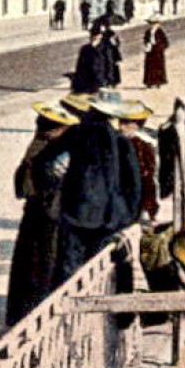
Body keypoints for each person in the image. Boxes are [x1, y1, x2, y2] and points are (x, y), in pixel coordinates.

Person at [53, 93, 143, 283]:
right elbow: (133, 185)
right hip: (109, 218)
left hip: (76, 213)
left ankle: (68, 307)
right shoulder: (122, 142)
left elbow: (47, 165)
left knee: (69, 268)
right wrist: (129, 217)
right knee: (101, 268)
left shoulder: (75, 133)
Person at [7, 99, 80, 324]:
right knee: (42, 268)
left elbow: (22, 186)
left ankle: (27, 314)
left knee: (34, 269)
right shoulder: (52, 147)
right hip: (49, 218)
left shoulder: (41, 146)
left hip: (42, 216)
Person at [115, 99, 160, 222]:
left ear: (136, 125)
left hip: (137, 196)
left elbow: (149, 177)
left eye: (126, 123)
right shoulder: (114, 141)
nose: (121, 126)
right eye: (121, 122)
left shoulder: (144, 145)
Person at [70, 27, 107, 94]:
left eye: (97, 35)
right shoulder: (85, 48)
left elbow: (109, 64)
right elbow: (80, 65)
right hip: (86, 80)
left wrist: (108, 80)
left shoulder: (104, 49)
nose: (94, 37)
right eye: (93, 35)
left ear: (101, 36)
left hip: (99, 80)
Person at [142, 17, 170, 89]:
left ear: (158, 24)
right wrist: (147, 45)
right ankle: (149, 82)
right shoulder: (148, 32)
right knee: (149, 68)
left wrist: (159, 47)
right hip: (150, 52)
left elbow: (166, 43)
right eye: (151, 23)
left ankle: (158, 82)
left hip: (158, 53)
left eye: (154, 23)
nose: (152, 25)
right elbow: (145, 40)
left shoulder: (160, 32)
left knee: (158, 68)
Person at [100, 23, 123, 88]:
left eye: (103, 26)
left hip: (111, 53)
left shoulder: (110, 33)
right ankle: (107, 81)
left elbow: (116, 44)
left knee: (112, 67)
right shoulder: (101, 34)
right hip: (105, 53)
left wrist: (114, 42)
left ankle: (112, 82)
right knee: (106, 67)